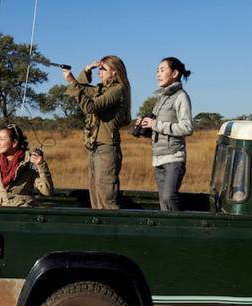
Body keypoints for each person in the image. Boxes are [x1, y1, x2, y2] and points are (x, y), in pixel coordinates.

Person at [62, 55, 131, 210]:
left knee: (106, 197)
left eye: (103, 69)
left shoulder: (117, 90)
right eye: (99, 68)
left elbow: (90, 107)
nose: (99, 72)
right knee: (95, 194)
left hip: (106, 148)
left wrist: (72, 81)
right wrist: (86, 70)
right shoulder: (103, 89)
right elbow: (83, 89)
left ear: (115, 72)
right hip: (95, 146)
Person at [136, 57, 194, 211]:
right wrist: (146, 127)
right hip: (158, 158)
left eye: (162, 70)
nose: (158, 74)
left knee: (169, 197)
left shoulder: (181, 96)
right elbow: (160, 130)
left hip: (174, 157)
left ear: (174, 73)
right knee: (163, 203)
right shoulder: (161, 98)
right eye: (157, 71)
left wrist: (156, 124)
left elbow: (187, 127)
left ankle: (181, 229)